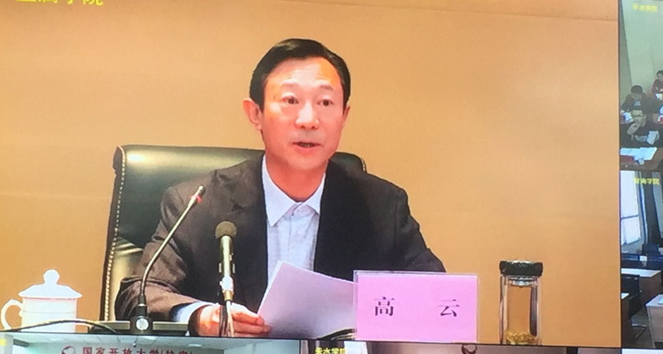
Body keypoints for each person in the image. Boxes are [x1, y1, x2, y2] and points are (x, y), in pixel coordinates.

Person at [115, 38, 445, 335]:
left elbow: (438, 298)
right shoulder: (198, 203)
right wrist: (200, 317)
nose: (308, 120)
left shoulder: (381, 207)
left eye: (325, 103)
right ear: (255, 113)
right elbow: (138, 295)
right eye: (290, 100)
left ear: (344, 115)